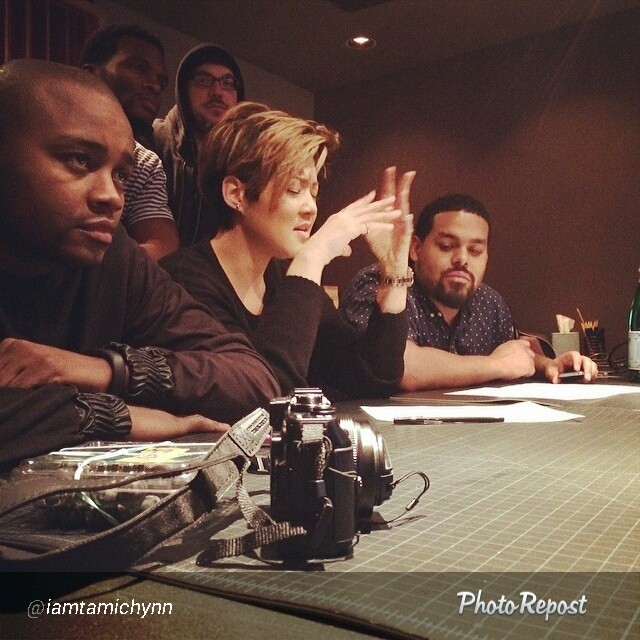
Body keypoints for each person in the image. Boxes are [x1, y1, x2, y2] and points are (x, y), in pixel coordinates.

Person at [0, 59, 279, 471]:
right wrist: (124, 417)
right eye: (79, 160)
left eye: (121, 175)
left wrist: (106, 370)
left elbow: (254, 380)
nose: (111, 196)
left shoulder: (116, 257)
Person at [160, 102, 416, 399]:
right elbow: (260, 397)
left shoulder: (284, 277)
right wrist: (312, 258)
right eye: (295, 189)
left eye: (313, 192)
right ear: (235, 194)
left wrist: (394, 272)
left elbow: (373, 378)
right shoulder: (182, 282)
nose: (311, 208)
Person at [340, 193, 598, 390]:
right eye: (446, 245)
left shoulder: (488, 301)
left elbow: (513, 352)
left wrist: (551, 366)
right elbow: (400, 366)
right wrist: (496, 365)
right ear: (416, 248)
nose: (462, 259)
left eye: (475, 250)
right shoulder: (383, 283)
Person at [80, 24, 179, 260]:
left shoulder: (144, 163)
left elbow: (162, 246)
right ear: (90, 74)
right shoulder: (32, 125)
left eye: (161, 81)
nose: (154, 86)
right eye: (137, 68)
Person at [153, 44, 245, 246]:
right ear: (184, 90)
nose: (217, 91)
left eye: (228, 83)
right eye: (204, 81)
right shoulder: (153, 141)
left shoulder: (244, 162)